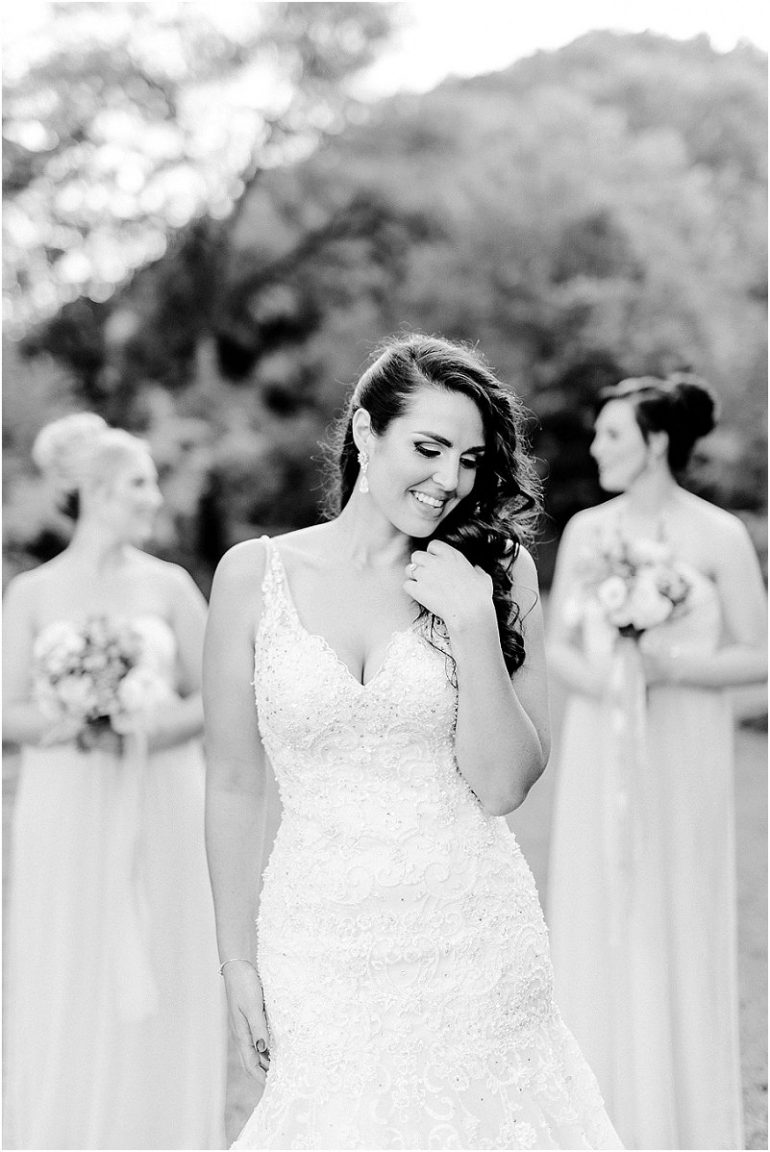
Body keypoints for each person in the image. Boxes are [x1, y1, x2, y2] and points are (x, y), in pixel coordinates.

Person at [203, 333, 622, 1150]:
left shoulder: (498, 571)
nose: (448, 480)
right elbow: (232, 783)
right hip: (315, 939)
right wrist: (237, 962)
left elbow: (503, 785)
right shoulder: (253, 577)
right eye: (428, 449)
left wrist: (471, 622)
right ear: (366, 431)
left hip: (471, 938)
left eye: (469, 460)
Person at [546, 375, 767, 1150]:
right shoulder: (587, 532)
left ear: (657, 441)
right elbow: (557, 648)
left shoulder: (718, 535)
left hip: (684, 746)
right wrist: (612, 683)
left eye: (612, 434)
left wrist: (671, 670)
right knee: (601, 905)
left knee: (678, 904)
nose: (596, 447)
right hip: (600, 741)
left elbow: (760, 653)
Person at [2, 414, 227, 1150]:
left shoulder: (170, 586)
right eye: (140, 482)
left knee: (165, 950)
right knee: (70, 955)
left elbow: (219, 694)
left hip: (162, 794)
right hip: (64, 803)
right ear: (98, 491)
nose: (154, 497)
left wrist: (143, 726)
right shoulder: (31, 592)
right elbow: (7, 710)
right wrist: (76, 715)